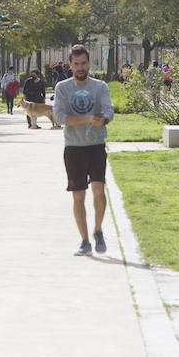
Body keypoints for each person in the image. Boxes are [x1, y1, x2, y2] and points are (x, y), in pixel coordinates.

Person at [53, 44, 114, 257]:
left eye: (83, 63)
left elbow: (108, 110)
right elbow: (61, 118)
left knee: (98, 189)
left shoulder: (100, 87)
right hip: (73, 149)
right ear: (70, 65)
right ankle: (84, 240)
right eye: (76, 64)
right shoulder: (62, 88)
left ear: (89, 63)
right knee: (78, 195)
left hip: (96, 146)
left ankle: (98, 230)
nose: (80, 67)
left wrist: (103, 118)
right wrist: (87, 118)